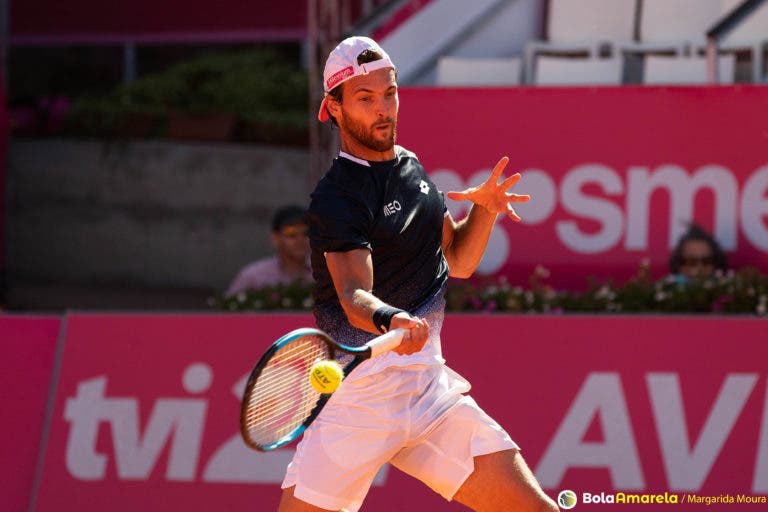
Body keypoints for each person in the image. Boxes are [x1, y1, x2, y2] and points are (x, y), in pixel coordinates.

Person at [279, 37, 559, 512]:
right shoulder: (337, 196)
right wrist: (393, 319)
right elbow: (353, 295)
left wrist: (485, 212)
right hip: (357, 404)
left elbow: (458, 259)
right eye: (365, 99)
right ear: (334, 108)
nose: (383, 109)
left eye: (389, 93)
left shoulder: (412, 169)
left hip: (430, 394)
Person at [225, 204, 312, 297]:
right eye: (291, 234)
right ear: (275, 238)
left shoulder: (324, 274)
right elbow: (227, 307)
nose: (300, 240)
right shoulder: (254, 277)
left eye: (306, 233)